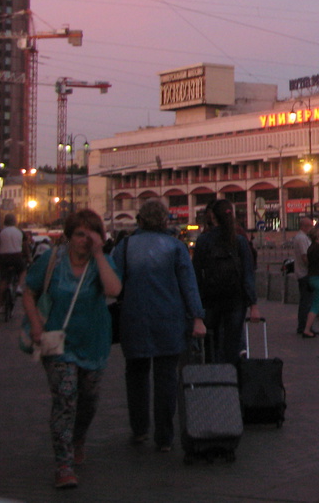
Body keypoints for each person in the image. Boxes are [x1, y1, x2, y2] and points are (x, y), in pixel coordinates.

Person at [22, 210, 122, 489]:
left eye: (91, 235)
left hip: (94, 343)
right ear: (69, 236)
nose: (84, 240)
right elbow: (28, 291)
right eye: (79, 234)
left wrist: (100, 255)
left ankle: (79, 437)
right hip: (58, 343)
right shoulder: (52, 260)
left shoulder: (103, 262)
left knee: (88, 400)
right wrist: (35, 325)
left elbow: (114, 290)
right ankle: (63, 464)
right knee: (65, 398)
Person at [112, 199, 206, 452]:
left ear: (140, 219)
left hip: (134, 318)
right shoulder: (175, 247)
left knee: (136, 375)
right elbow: (189, 284)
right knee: (166, 378)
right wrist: (197, 317)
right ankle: (164, 436)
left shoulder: (125, 246)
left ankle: (140, 428)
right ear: (165, 221)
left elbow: (113, 283)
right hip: (169, 319)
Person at [193, 199, 261, 364]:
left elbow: (195, 275)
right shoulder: (240, 241)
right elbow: (248, 275)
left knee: (211, 343)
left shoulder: (204, 240)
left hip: (210, 300)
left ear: (213, 217)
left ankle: (214, 379)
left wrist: (196, 310)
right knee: (233, 343)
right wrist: (253, 305)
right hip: (236, 301)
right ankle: (232, 379)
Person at [292, 214, 315, 335]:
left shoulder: (302, 237)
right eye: (311, 226)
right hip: (304, 274)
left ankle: (307, 326)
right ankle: (303, 327)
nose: (312, 228)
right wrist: (312, 267)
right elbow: (305, 256)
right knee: (306, 302)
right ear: (305, 226)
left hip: (303, 273)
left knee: (306, 301)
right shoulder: (301, 238)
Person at [0, 213, 26, 306]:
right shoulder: (19, 232)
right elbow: (25, 245)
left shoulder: (1, 232)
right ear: (15, 222)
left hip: (4, 257)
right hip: (17, 256)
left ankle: (0, 303)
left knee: (3, 279)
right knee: (23, 271)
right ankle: (19, 287)